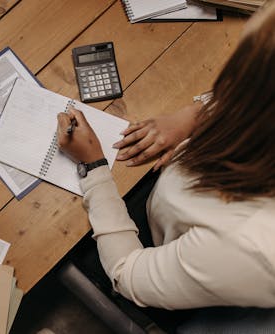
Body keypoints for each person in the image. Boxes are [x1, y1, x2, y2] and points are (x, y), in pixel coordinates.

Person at [56, 2, 275, 310]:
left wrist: (93, 167)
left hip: (163, 257)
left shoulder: (250, 245)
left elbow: (127, 274)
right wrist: (196, 116)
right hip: (174, 202)